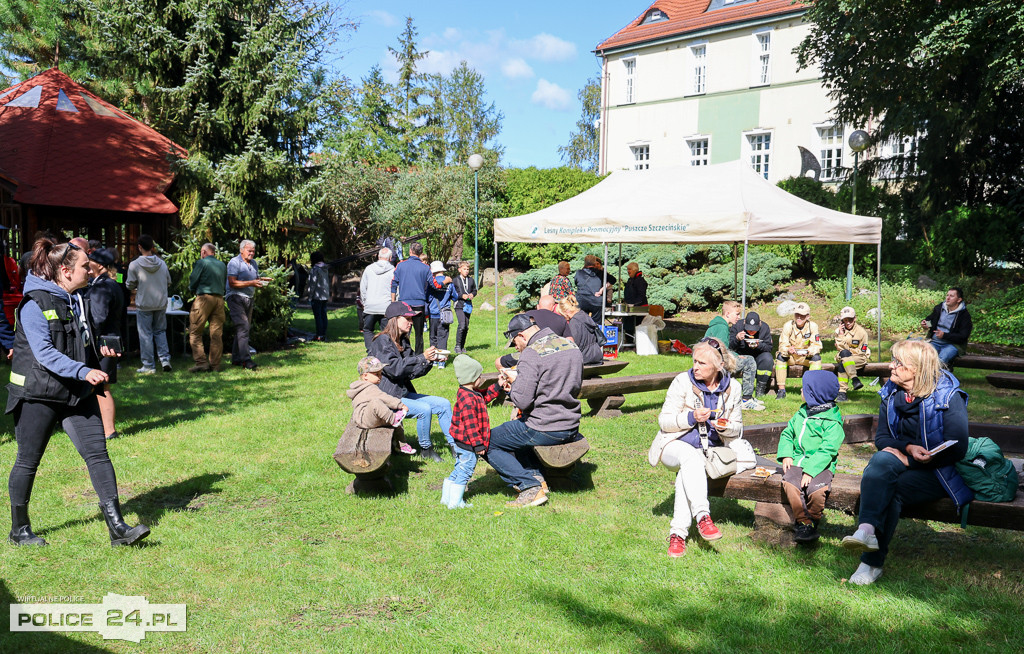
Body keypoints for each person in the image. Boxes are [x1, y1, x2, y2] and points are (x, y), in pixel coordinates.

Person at [7, 237, 149, 547]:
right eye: (85, 266)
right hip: (38, 395)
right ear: (65, 270)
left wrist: (101, 351)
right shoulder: (35, 303)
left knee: (98, 453)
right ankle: (19, 530)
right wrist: (83, 371)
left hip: (75, 393)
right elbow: (44, 352)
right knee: (28, 461)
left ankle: (118, 528)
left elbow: (78, 340)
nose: (90, 270)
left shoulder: (76, 298)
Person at [840, 340, 972, 585]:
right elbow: (881, 438)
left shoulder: (948, 396)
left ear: (916, 369)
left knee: (891, 491)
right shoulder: (891, 392)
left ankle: (870, 563)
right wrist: (908, 448)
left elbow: (958, 447)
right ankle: (866, 532)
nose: (892, 366)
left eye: (898, 363)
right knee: (881, 459)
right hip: (901, 461)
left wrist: (912, 462)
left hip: (939, 472)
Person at [648, 337, 744, 557]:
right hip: (673, 446)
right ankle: (702, 516)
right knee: (690, 457)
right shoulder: (683, 381)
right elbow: (664, 421)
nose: (695, 367)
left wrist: (724, 427)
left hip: (709, 453)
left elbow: (737, 429)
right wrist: (690, 417)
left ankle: (678, 535)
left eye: (702, 363)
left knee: (687, 474)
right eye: (694, 361)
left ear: (718, 366)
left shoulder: (734, 388)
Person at [488, 314, 584, 508]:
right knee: (515, 433)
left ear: (522, 335)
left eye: (514, 342)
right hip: (571, 423)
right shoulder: (569, 345)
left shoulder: (532, 353)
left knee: (487, 441)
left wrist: (514, 384)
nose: (516, 347)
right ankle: (537, 479)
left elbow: (522, 401)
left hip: (545, 426)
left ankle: (529, 487)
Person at [368, 301, 453, 462]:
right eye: (407, 318)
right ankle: (426, 450)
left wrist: (430, 361)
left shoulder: (403, 341)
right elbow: (395, 369)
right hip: (387, 397)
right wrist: (422, 357)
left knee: (443, 404)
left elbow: (411, 373)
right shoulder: (381, 342)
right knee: (424, 409)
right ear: (395, 319)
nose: (411, 322)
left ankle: (457, 446)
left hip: (402, 392)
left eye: (412, 319)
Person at [777, 370, 845, 544]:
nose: (801, 391)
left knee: (817, 489)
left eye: (804, 389)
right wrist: (786, 454)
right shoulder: (802, 413)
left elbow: (827, 450)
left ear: (815, 394)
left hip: (821, 465)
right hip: (798, 460)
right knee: (790, 483)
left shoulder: (832, 422)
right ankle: (802, 521)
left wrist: (810, 471)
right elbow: (787, 433)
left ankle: (813, 519)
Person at [442, 354, 503, 509]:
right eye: (479, 375)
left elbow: (485, 397)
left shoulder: (468, 392)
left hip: (461, 441)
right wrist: (478, 446)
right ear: (472, 377)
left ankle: (446, 497)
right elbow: (471, 426)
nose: (481, 378)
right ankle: (455, 503)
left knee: (459, 467)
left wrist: (498, 385)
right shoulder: (469, 400)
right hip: (467, 443)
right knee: (466, 469)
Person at [85, 248, 124, 439]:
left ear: (99, 265)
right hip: (110, 339)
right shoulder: (112, 283)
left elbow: (98, 318)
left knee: (101, 386)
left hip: (103, 343)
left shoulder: (102, 286)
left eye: (89, 260)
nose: (86, 263)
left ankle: (109, 431)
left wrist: (88, 337)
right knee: (101, 385)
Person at [126, 234, 172, 374]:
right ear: (152, 247)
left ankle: (148, 365)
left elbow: (129, 284)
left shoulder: (134, 264)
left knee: (145, 334)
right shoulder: (162, 263)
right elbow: (168, 282)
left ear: (139, 247)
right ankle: (165, 360)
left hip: (144, 303)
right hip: (160, 303)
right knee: (160, 332)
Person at [705, 300, 763, 411]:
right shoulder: (722, 328)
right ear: (727, 314)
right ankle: (746, 400)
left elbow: (723, 348)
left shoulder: (716, 325)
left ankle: (747, 398)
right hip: (716, 364)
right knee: (749, 361)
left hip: (711, 361)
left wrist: (735, 355)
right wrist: (735, 357)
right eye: (736, 314)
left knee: (745, 358)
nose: (738, 317)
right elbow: (721, 352)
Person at [390, 242, 445, 354]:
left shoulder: (400, 265)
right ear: (420, 253)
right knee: (419, 334)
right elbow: (435, 285)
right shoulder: (425, 268)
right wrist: (445, 281)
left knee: (402, 331)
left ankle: (402, 353)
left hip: (404, 305)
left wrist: (393, 302)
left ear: (410, 251)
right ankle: (419, 356)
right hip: (419, 305)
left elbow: (393, 284)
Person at [226, 239, 271, 370]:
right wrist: (252, 283)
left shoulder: (254, 263)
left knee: (242, 329)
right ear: (241, 250)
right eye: (249, 250)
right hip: (235, 298)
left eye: (253, 251)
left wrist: (262, 280)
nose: (251, 253)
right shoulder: (234, 263)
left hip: (249, 298)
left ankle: (236, 359)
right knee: (243, 327)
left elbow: (253, 279)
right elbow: (232, 283)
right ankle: (246, 360)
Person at [494, 296, 572, 371]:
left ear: (538, 306)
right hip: (555, 355)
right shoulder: (561, 319)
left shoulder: (528, 316)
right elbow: (570, 342)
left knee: (498, 362)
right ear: (553, 307)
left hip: (530, 354)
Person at [187, 243, 227, 372]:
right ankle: (215, 365)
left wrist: (192, 289)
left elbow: (193, 279)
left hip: (204, 299)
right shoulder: (222, 265)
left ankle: (201, 363)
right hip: (219, 300)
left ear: (204, 252)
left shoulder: (202, 263)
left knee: (194, 332)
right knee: (216, 334)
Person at [774, 303, 822, 400]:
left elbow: (817, 345)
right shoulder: (788, 325)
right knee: (780, 357)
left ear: (808, 316)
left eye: (802, 315)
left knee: (817, 358)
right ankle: (781, 390)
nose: (799, 317)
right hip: (791, 357)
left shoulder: (813, 326)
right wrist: (788, 349)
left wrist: (809, 351)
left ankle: (810, 390)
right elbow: (782, 344)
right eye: (797, 314)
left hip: (805, 357)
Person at [346, 356, 408, 429]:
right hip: (366, 419)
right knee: (376, 403)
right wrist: (400, 405)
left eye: (381, 373)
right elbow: (384, 398)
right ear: (365, 376)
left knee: (395, 423)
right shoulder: (369, 388)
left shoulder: (360, 387)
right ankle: (394, 419)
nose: (380, 376)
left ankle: (400, 438)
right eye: (376, 374)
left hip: (366, 418)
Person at [922, 287, 973, 365]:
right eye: (947, 295)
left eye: (951, 296)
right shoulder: (939, 308)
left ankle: (937, 376)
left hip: (953, 345)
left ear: (959, 300)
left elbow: (963, 336)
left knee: (941, 359)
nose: (948, 298)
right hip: (934, 342)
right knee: (923, 357)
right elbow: (930, 321)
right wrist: (926, 325)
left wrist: (944, 335)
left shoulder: (964, 315)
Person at [729, 311, 774, 397]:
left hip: (758, 354)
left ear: (760, 324)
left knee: (768, 358)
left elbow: (769, 347)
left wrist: (759, 345)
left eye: (754, 329)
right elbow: (729, 346)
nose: (751, 332)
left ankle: (761, 388)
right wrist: (737, 339)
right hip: (741, 355)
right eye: (749, 329)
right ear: (744, 322)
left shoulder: (765, 327)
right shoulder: (737, 326)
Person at [359, 248, 395, 351]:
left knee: (368, 330)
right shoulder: (393, 270)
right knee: (386, 331)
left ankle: (370, 351)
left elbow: (363, 287)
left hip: (370, 305)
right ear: (390, 258)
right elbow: (396, 288)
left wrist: (365, 302)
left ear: (378, 256)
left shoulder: (369, 269)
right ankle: (385, 350)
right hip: (386, 306)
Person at [834, 306, 871, 402]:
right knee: (845, 355)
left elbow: (863, 350)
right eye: (845, 320)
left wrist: (849, 351)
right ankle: (854, 379)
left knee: (844, 362)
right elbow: (839, 348)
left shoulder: (862, 332)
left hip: (859, 358)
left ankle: (842, 393)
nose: (848, 323)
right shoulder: (838, 331)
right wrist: (841, 334)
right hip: (843, 356)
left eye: (850, 319)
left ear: (855, 318)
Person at [426, 260, 457, 365]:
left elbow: (428, 297)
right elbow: (455, 296)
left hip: (433, 313)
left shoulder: (432, 282)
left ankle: (434, 360)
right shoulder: (449, 282)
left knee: (433, 336)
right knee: (443, 337)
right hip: (445, 314)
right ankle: (442, 362)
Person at [558, 295, 604, 365]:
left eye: (562, 314)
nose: (562, 317)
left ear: (566, 311)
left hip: (585, 358)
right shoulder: (584, 315)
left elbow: (573, 344)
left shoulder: (574, 322)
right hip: (596, 355)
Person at [573, 255, 611, 319]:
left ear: (585, 262)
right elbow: (613, 280)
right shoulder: (600, 273)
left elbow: (576, 283)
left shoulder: (579, 272)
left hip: (582, 301)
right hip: (596, 301)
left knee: (581, 321)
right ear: (594, 263)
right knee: (597, 323)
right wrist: (602, 290)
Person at [451, 261, 477, 354]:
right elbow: (452, 293)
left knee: (466, 326)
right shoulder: (455, 280)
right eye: (464, 269)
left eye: (467, 269)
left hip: (468, 305)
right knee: (462, 325)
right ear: (459, 270)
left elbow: (475, 290)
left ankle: (462, 346)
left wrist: (472, 295)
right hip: (459, 305)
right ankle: (457, 346)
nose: (466, 271)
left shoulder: (471, 280)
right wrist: (461, 296)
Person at [308, 251, 330, 342]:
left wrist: (310, 296)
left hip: (317, 295)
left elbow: (312, 284)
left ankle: (319, 335)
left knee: (318, 316)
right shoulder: (325, 268)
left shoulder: (315, 269)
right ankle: (323, 333)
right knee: (323, 315)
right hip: (325, 295)